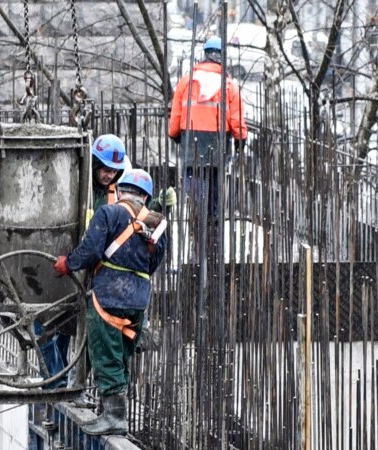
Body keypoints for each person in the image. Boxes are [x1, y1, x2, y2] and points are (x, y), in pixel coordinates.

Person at [53, 169, 169, 435]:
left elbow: (91, 249)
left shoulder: (109, 213)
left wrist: (67, 264)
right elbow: (154, 263)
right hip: (138, 302)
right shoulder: (158, 222)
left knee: (105, 355)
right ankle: (112, 413)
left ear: (119, 191)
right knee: (121, 356)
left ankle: (115, 417)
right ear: (146, 198)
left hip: (108, 297)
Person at [168, 36, 247, 230]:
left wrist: (175, 133)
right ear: (222, 56)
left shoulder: (187, 81)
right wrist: (240, 139)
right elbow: (236, 117)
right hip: (217, 140)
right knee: (213, 181)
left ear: (205, 55)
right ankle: (211, 219)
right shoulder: (229, 85)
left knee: (194, 178)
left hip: (191, 138)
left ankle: (196, 212)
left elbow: (176, 112)